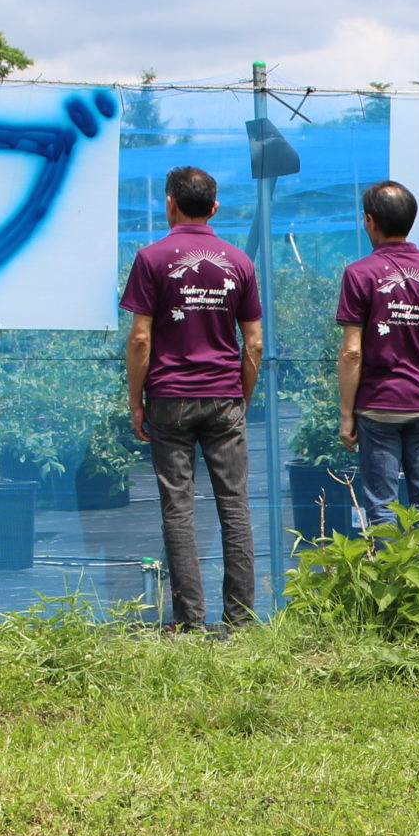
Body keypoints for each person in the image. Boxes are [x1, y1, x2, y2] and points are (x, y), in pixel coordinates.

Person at [122, 165, 261, 630]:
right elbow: (254, 342)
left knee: (178, 509)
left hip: (169, 398)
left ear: (170, 203)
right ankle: (241, 620)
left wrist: (137, 400)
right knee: (234, 506)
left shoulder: (151, 258)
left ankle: (189, 622)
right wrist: (240, 395)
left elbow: (140, 338)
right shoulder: (239, 262)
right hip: (224, 397)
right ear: (215, 207)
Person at [336, 180, 419, 538]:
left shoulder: (359, 274)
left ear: (370, 220)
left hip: (377, 407)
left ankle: (388, 576)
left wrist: (347, 414)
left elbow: (352, 351)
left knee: (382, 508)